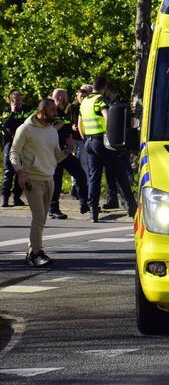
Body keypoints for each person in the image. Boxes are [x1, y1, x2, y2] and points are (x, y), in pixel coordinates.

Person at [10, 98, 70, 267]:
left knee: (42, 218)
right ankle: (36, 253)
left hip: (48, 178)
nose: (55, 113)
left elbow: (56, 157)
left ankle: (32, 251)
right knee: (38, 217)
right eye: (52, 110)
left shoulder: (52, 130)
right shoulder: (25, 129)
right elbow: (14, 152)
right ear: (42, 112)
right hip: (31, 178)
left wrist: (67, 151)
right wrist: (20, 172)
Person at [78, 76, 137, 223]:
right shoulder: (100, 100)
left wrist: (86, 139)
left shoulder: (85, 101)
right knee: (120, 174)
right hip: (102, 142)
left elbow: (80, 125)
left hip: (89, 143)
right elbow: (108, 118)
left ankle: (93, 211)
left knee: (94, 177)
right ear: (104, 87)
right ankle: (132, 207)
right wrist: (112, 138)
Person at [49, 88, 90, 219]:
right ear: (60, 98)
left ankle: (84, 203)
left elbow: (67, 130)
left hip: (65, 152)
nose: (67, 100)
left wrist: (71, 138)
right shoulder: (49, 112)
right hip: (52, 152)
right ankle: (53, 209)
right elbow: (46, 132)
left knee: (80, 175)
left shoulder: (64, 112)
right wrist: (59, 126)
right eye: (65, 98)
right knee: (56, 181)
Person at [2, 90, 32, 207]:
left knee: (22, 171)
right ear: (10, 100)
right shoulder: (7, 110)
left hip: (24, 144)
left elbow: (33, 121)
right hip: (10, 143)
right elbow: (6, 124)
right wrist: (13, 112)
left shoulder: (28, 109)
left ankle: (17, 197)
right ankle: (5, 199)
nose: (18, 102)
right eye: (15, 99)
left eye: (19, 99)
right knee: (9, 171)